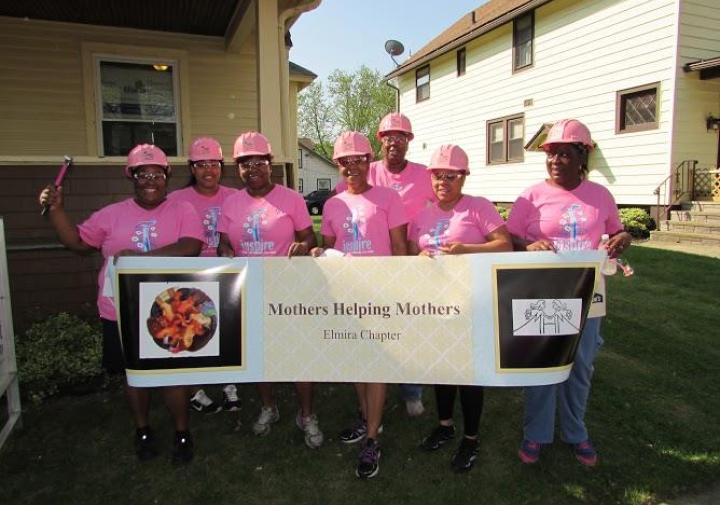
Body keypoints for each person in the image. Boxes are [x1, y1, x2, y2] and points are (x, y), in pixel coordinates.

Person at [38, 144, 205, 464]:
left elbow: (191, 246)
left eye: (157, 173)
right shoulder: (111, 214)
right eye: (143, 174)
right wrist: (57, 210)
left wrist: (139, 260)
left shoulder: (182, 210)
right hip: (120, 311)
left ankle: (182, 432)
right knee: (136, 375)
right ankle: (142, 430)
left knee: (173, 374)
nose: (150, 180)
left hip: (169, 309)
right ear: (132, 177)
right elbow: (76, 242)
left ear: (167, 176)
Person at [506, 119, 632, 467]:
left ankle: (576, 432)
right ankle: (536, 433)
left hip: (587, 297)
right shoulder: (530, 195)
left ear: (582, 157)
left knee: (580, 368)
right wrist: (528, 245)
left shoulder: (601, 196)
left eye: (564, 153)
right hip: (540, 294)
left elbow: (617, 232)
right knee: (542, 366)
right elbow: (509, 237)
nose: (555, 160)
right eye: (550, 154)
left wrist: (623, 239)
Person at [408, 144, 512, 472]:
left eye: (450, 176)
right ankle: (444, 424)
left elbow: (505, 245)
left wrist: (465, 249)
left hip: (470, 303)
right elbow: (413, 254)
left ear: (463, 178)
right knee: (441, 367)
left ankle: (470, 438)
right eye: (438, 176)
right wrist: (420, 258)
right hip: (434, 304)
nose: (443, 182)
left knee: (468, 373)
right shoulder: (423, 213)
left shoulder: (477, 207)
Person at [311, 131, 408, 479]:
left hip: (380, 292)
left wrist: (397, 290)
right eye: (344, 161)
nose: (351, 166)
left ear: (369, 162)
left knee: (377, 363)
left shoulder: (388, 197)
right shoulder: (333, 204)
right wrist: (317, 253)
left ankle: (371, 439)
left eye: (358, 159)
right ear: (337, 165)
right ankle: (368, 417)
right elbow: (329, 249)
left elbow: (399, 249)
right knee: (355, 359)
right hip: (346, 294)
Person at [216, 131, 323, 448]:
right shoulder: (231, 203)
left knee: (298, 356)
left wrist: (302, 247)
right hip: (248, 290)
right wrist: (224, 252)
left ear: (270, 164)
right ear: (238, 168)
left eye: (259, 161)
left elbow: (310, 239)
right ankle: (269, 407)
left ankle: (306, 414)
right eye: (245, 163)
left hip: (289, 290)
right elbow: (223, 241)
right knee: (259, 355)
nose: (253, 168)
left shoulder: (290, 198)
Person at [335, 112, 432, 417]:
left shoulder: (424, 174)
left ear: (409, 141)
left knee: (408, 328)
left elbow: (442, 203)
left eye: (401, 136)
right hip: (370, 263)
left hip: (410, 255)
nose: (394, 141)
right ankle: (374, 390)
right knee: (371, 332)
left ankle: (411, 390)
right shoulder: (367, 171)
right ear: (380, 142)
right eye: (389, 136)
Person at [168, 137, 240, 414]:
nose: (208, 170)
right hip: (189, 276)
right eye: (201, 165)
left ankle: (228, 384)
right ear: (191, 167)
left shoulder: (234, 196)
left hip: (226, 275)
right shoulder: (176, 200)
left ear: (221, 166)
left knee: (225, 332)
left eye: (214, 164)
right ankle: (194, 389)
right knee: (193, 333)